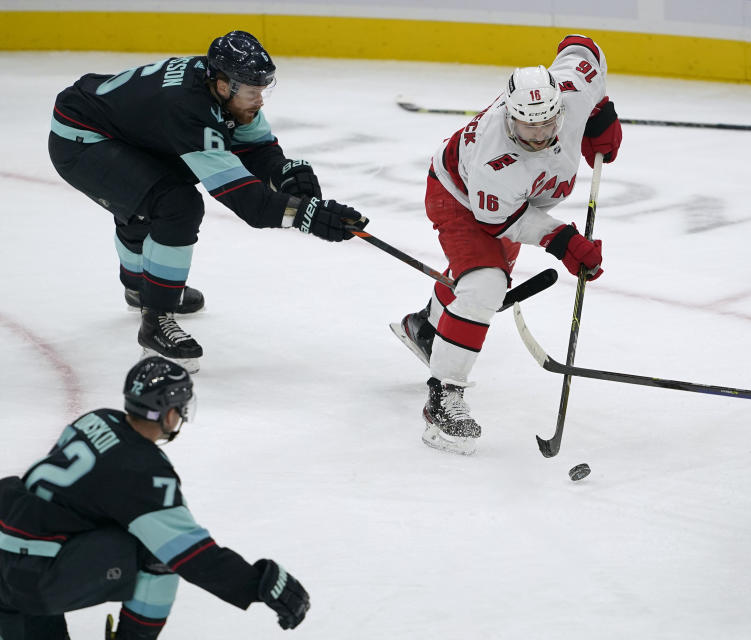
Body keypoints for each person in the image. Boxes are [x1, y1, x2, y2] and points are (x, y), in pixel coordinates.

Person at [48, 30, 367, 372]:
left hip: (122, 132)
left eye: (262, 90)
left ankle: (142, 288)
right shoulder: (188, 109)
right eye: (251, 91)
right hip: (81, 141)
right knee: (175, 204)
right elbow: (250, 204)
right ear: (222, 83)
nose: (258, 100)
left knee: (157, 193)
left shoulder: (222, 88)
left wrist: (284, 172)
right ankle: (155, 323)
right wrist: (308, 215)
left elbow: (255, 148)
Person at [389, 34, 622, 455]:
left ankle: (427, 329)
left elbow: (581, 46)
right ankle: (443, 398)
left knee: (477, 282)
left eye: (547, 125)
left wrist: (600, 111)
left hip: (518, 199)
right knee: (484, 286)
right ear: (509, 117)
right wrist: (563, 240)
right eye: (526, 127)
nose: (537, 135)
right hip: (460, 197)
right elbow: (502, 221)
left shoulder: (571, 90)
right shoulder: (494, 160)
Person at [0, 357, 309, 639]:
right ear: (170, 412)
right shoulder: (143, 472)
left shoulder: (96, 419)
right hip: (30, 579)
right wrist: (258, 584)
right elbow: (192, 555)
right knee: (159, 553)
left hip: (10, 555)